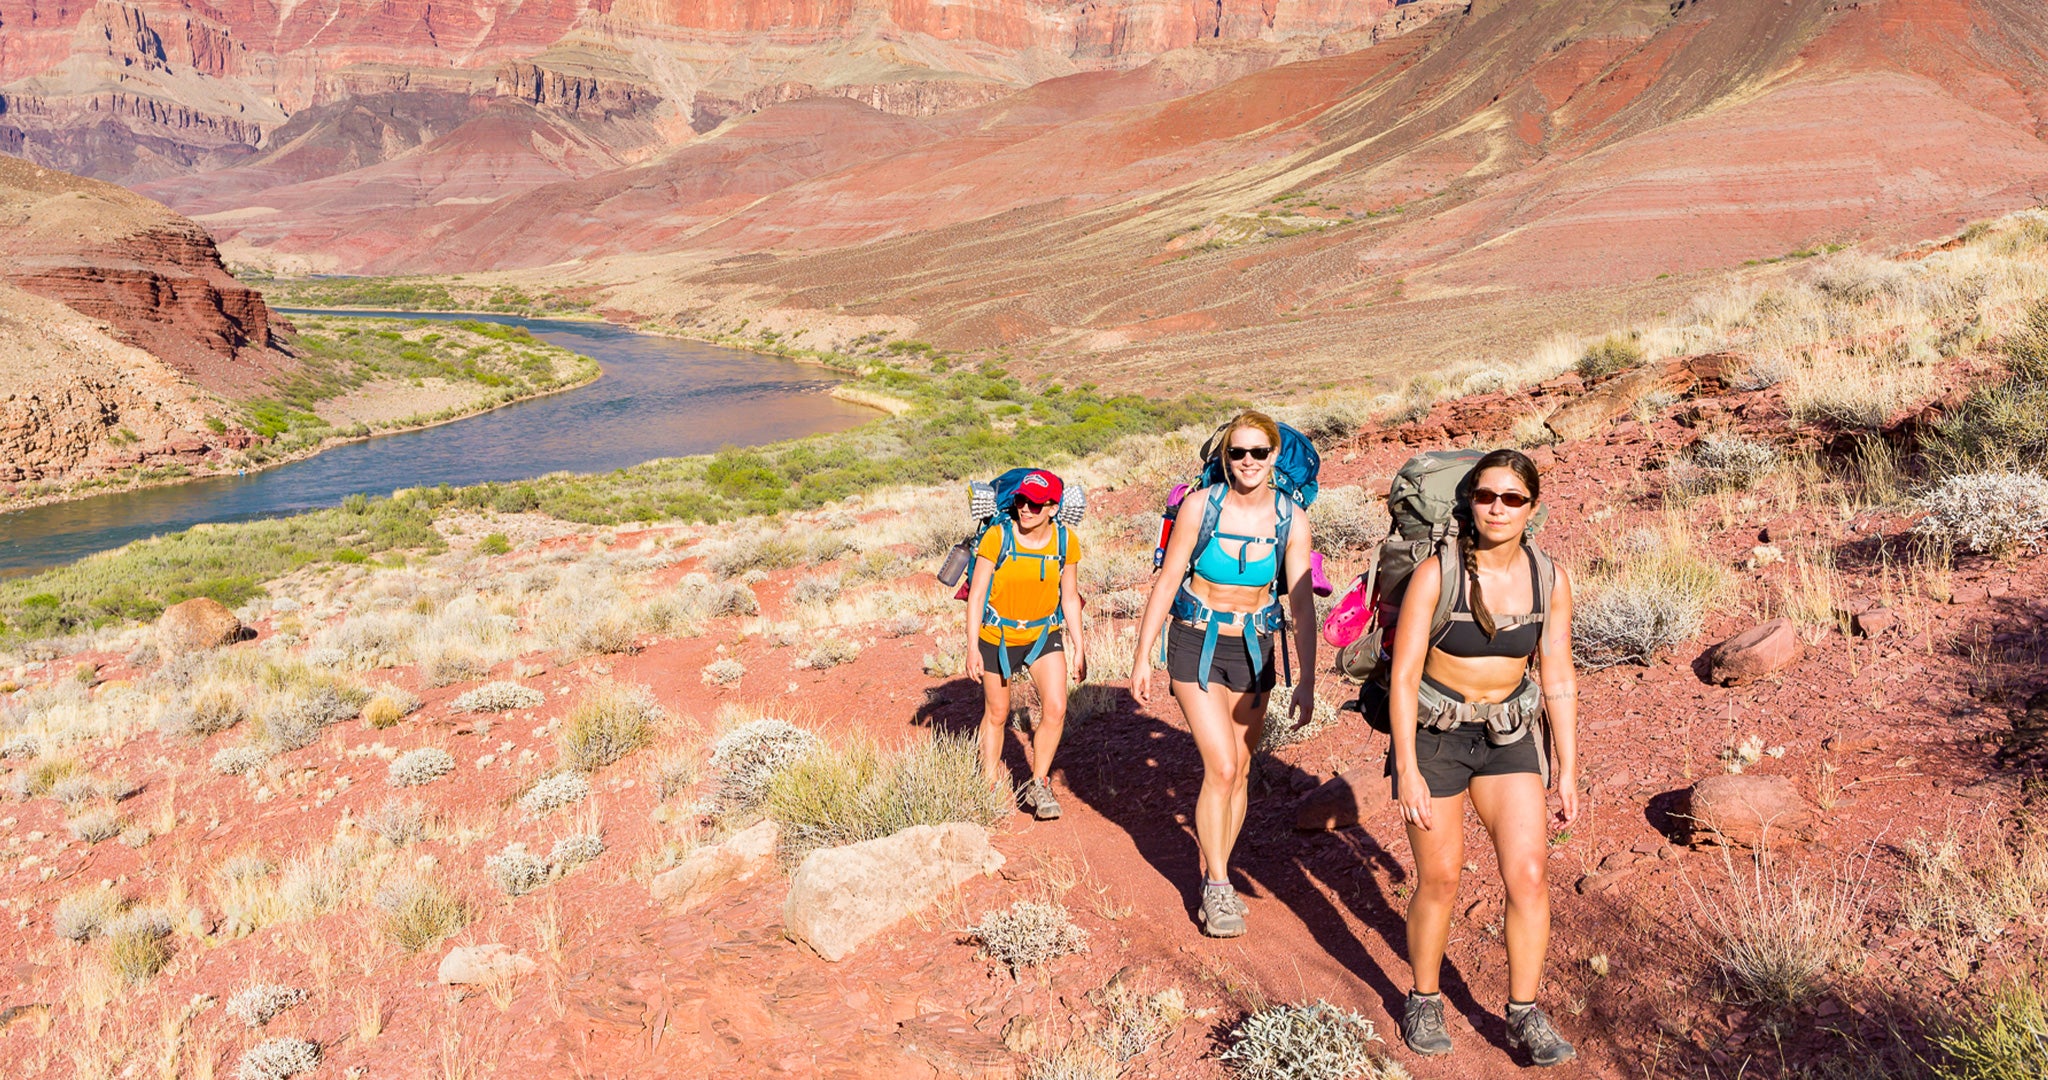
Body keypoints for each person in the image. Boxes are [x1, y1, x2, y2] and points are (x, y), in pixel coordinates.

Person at [1384, 448, 1579, 1066]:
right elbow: (1405, 675)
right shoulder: (1437, 575)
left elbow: (1558, 677)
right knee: (1439, 879)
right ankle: (1424, 996)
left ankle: (1523, 1012)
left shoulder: (1548, 577)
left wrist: (1568, 768)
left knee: (1527, 875)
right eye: (1487, 496)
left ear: (1533, 508)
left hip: (1508, 737)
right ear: (1470, 502)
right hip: (1435, 736)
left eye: (1512, 499)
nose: (1498, 508)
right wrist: (1408, 768)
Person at [1131, 411, 1317, 937]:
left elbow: (1301, 605)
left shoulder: (1291, 519)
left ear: (1275, 456)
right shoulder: (1201, 506)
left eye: (1260, 452)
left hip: (1256, 646)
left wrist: (1307, 680)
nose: (1248, 462)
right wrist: (1143, 656)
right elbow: (1168, 579)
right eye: (1238, 453)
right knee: (1222, 767)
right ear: (1225, 457)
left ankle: (1221, 868)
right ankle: (1216, 885)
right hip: (1194, 640)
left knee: (1240, 764)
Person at [963, 468, 1086, 819]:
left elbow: (1070, 596)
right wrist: (972, 645)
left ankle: (1039, 783)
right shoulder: (997, 537)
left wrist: (1079, 645)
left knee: (1057, 707)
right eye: (1020, 501)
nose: (1025, 510)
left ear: (1052, 507)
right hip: (997, 636)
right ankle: (987, 785)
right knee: (998, 712)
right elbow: (977, 595)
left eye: (1034, 504)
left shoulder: (1065, 541)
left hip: (1042, 634)